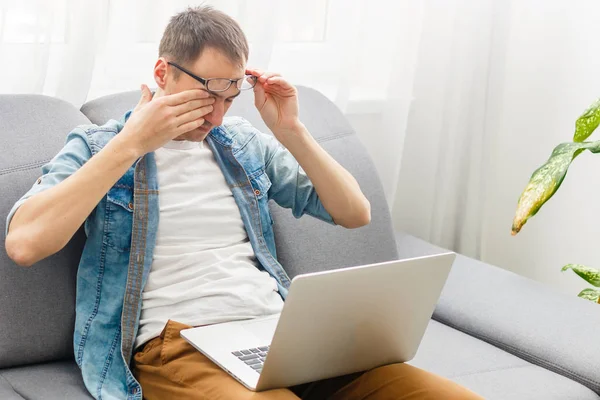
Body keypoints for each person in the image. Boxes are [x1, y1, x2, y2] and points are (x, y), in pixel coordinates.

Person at [5, 6, 483, 400]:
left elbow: (354, 212)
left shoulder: (240, 143)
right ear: (161, 73)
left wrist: (291, 130)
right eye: (205, 92)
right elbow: (25, 243)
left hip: (279, 336)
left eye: (230, 94)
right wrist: (132, 144)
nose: (215, 112)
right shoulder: (98, 146)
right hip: (176, 344)